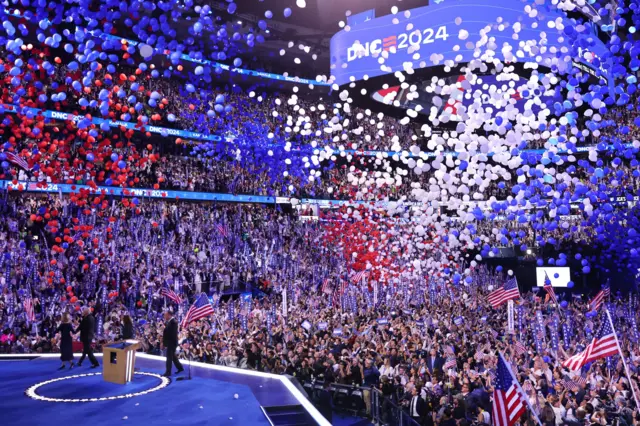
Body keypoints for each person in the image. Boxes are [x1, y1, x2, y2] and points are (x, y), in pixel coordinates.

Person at [162, 310, 183, 377]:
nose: (164, 316)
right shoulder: (170, 322)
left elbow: (172, 334)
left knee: (169, 358)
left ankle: (168, 372)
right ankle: (180, 368)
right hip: (170, 342)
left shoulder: (173, 322)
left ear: (169, 315)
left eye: (165, 315)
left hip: (171, 342)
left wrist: (164, 329)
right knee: (173, 357)